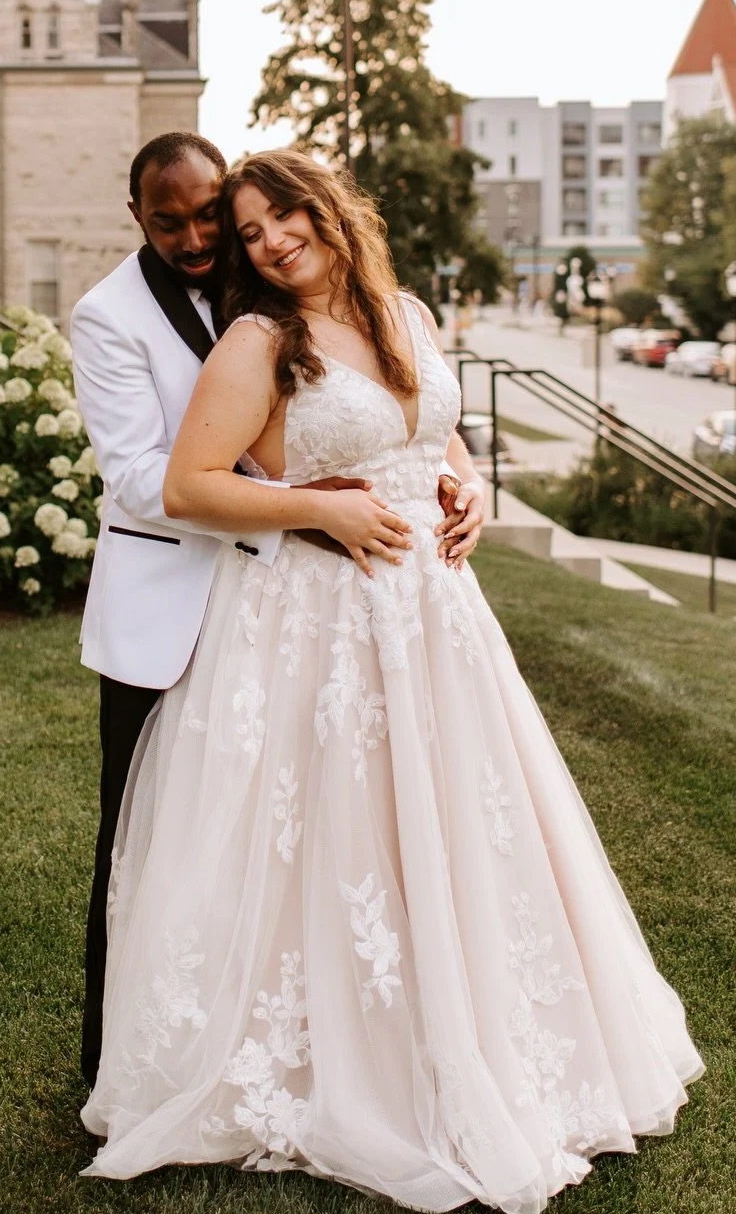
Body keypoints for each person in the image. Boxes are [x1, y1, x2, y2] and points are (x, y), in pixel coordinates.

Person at [79, 150, 703, 1214]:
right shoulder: (258, 340)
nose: (270, 240)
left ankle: (476, 1030)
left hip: (437, 618)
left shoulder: (405, 311)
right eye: (252, 230)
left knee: (456, 823)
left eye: (283, 215)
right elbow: (184, 482)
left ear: (329, 209)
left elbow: (432, 427)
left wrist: (471, 486)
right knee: (340, 833)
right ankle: (337, 1058)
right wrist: (317, 508)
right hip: (321, 616)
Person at [69, 133, 484, 1087]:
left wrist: (460, 483)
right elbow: (143, 478)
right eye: (169, 222)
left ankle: (354, 1032)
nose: (198, 237)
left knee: (336, 828)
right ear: (137, 219)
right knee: (153, 842)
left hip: (339, 602)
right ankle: (126, 1060)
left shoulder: (298, 287)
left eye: (211, 216)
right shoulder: (110, 316)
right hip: (176, 602)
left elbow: (407, 414)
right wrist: (303, 504)